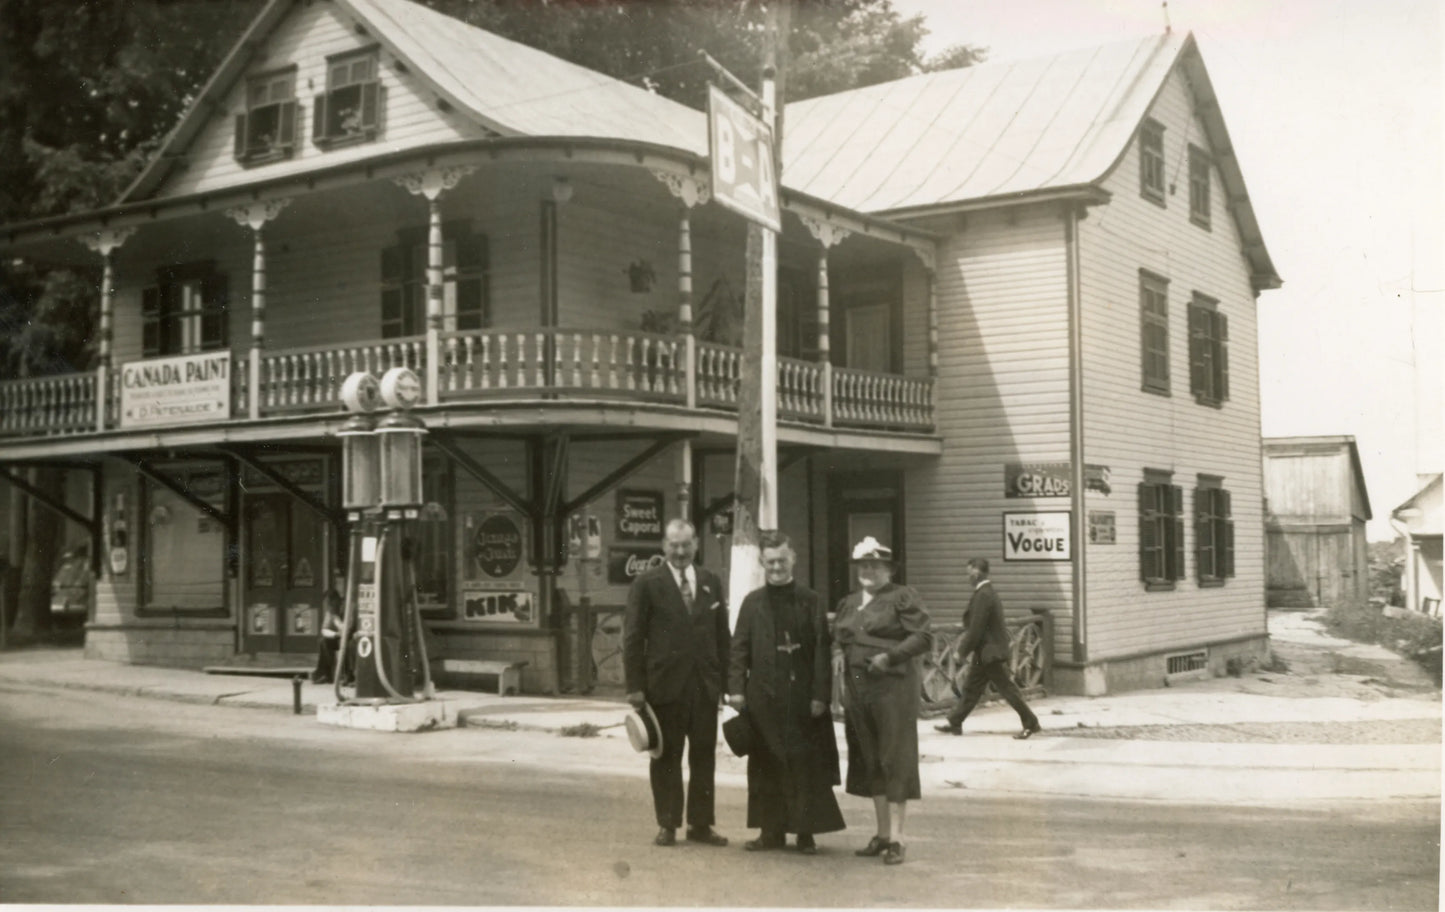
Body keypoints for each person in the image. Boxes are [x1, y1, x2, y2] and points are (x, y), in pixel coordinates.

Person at [727, 532, 845, 855]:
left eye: (782, 560)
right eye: (770, 561)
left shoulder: (811, 600)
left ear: (792, 558)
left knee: (805, 766)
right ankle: (770, 833)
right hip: (763, 697)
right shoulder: (752, 603)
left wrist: (821, 695)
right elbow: (738, 648)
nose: (776, 567)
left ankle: (805, 833)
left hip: (802, 699)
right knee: (765, 765)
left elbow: (822, 649)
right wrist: (735, 689)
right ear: (762, 562)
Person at [623, 518, 730, 848]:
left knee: (703, 757)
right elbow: (632, 637)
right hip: (664, 687)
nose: (680, 551)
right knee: (666, 756)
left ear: (696, 544)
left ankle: (700, 824)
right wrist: (635, 687)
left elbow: (721, 637)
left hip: (704, 687)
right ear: (664, 546)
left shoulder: (711, 581)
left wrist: (726, 683)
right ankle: (667, 823)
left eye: (686, 544)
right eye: (674, 545)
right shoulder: (647, 583)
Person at [832, 536, 932, 866]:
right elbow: (839, 638)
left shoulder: (902, 596)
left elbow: (922, 636)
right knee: (870, 758)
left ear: (888, 569)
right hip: (858, 689)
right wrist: (837, 657)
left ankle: (899, 839)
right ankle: (882, 833)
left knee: (894, 756)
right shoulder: (848, 602)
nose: (869, 571)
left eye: (876, 565)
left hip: (892, 688)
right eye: (863, 565)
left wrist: (889, 658)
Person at [935, 558, 1041, 739]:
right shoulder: (986, 592)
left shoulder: (983, 595)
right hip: (985, 652)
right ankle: (955, 722)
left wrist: (961, 651)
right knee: (971, 688)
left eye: (968, 573)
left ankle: (1031, 722)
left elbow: (976, 628)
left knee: (1007, 690)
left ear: (976, 573)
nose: (967, 577)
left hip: (990, 653)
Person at [311, 570, 347, 685]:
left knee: (326, 642)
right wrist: (335, 634)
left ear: (337, 601)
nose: (329, 606)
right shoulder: (330, 612)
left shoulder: (345, 608)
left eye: (331, 602)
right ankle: (325, 673)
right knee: (323, 642)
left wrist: (337, 621)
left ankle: (330, 674)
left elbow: (346, 628)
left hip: (347, 637)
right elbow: (324, 629)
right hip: (338, 637)